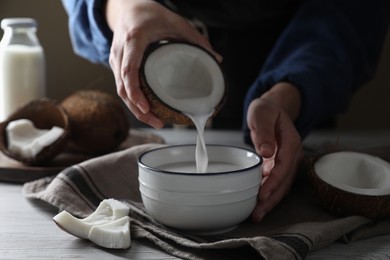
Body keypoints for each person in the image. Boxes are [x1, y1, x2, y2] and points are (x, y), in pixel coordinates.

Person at [61, 0, 390, 223]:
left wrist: (291, 92)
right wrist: (123, 9)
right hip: (150, 51)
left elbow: (355, 7)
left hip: (290, 61)